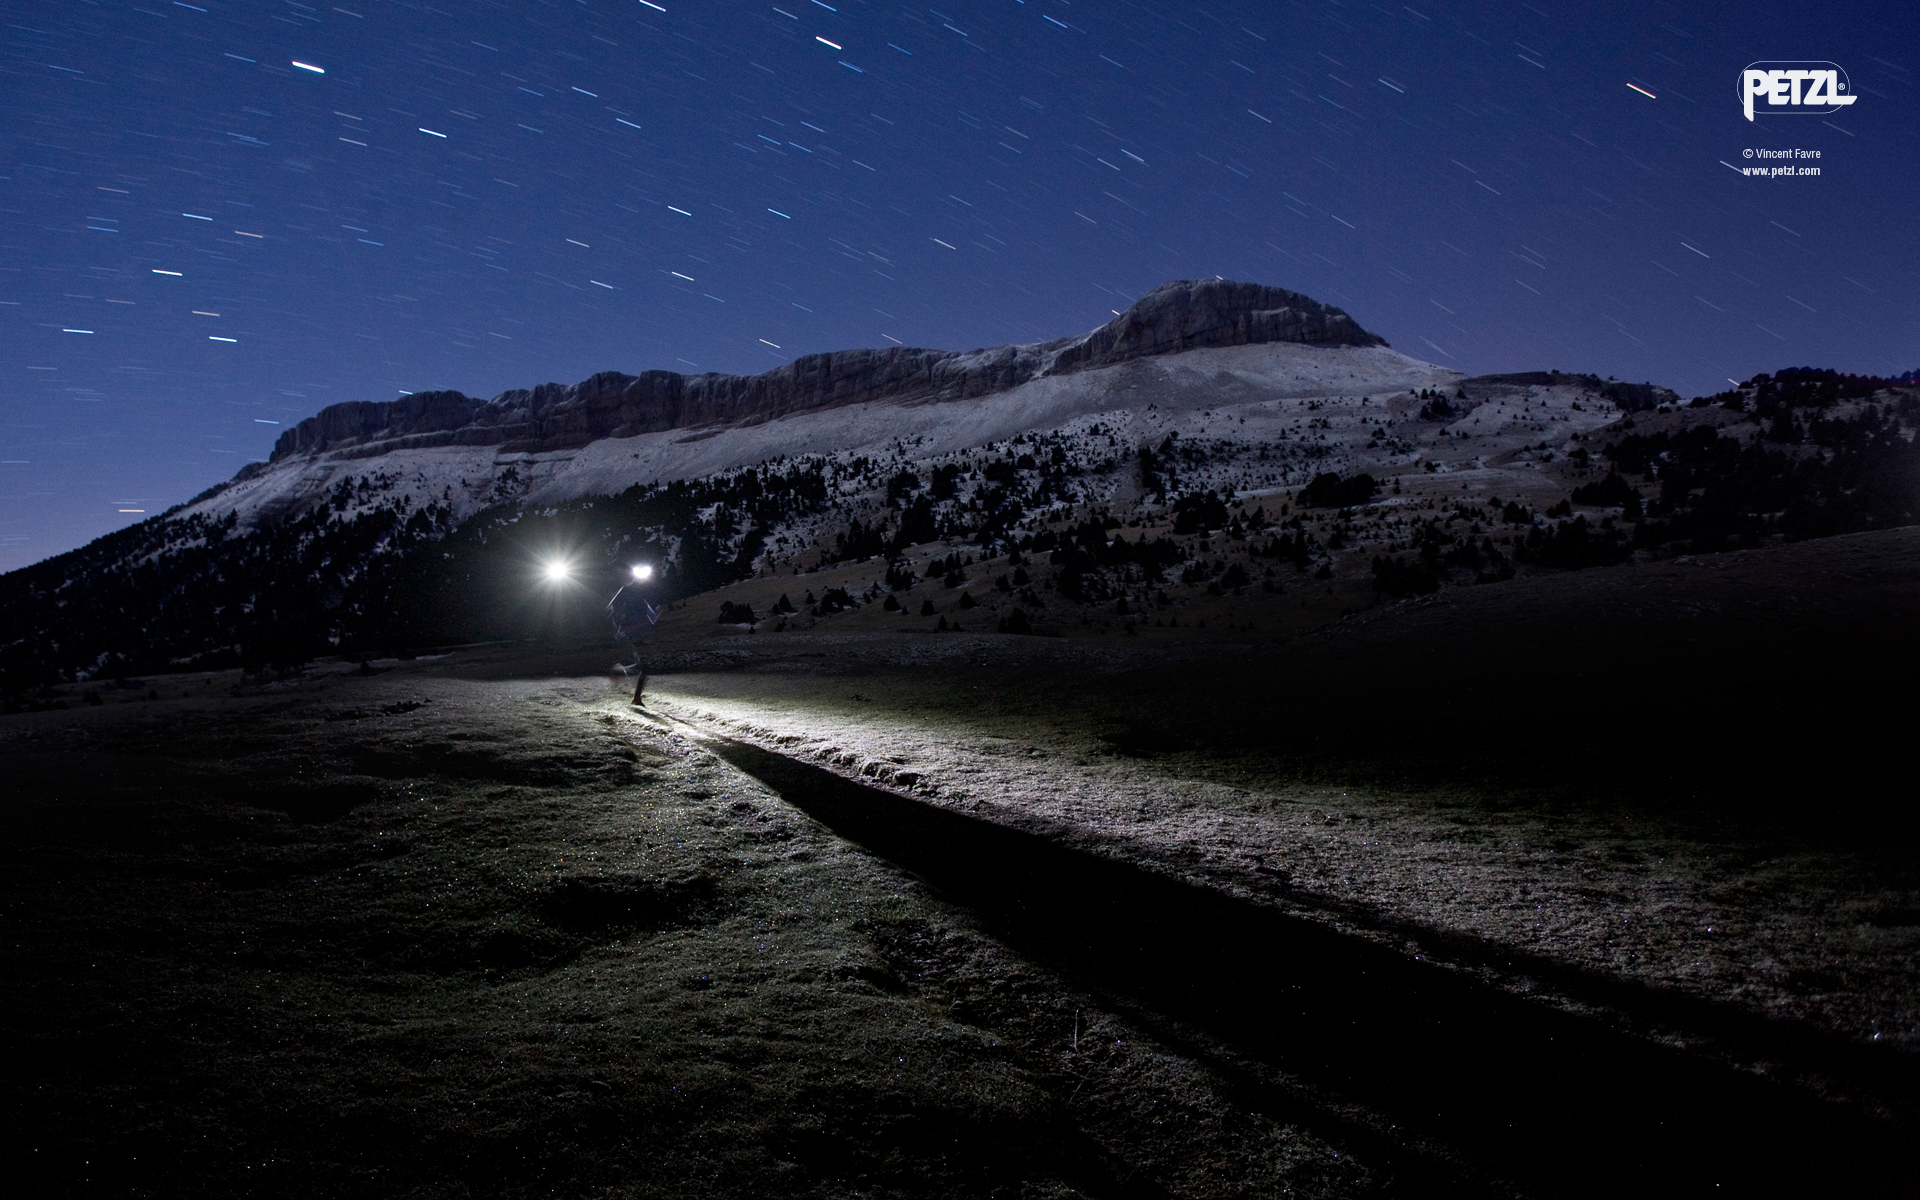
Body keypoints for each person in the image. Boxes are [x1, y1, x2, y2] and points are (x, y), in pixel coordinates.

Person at [607, 564, 663, 703]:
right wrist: (622, 626)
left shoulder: (645, 591)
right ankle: (636, 697)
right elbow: (612, 609)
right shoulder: (626, 591)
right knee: (644, 667)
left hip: (642, 632)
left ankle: (620, 671)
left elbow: (655, 604)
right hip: (632, 631)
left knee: (641, 666)